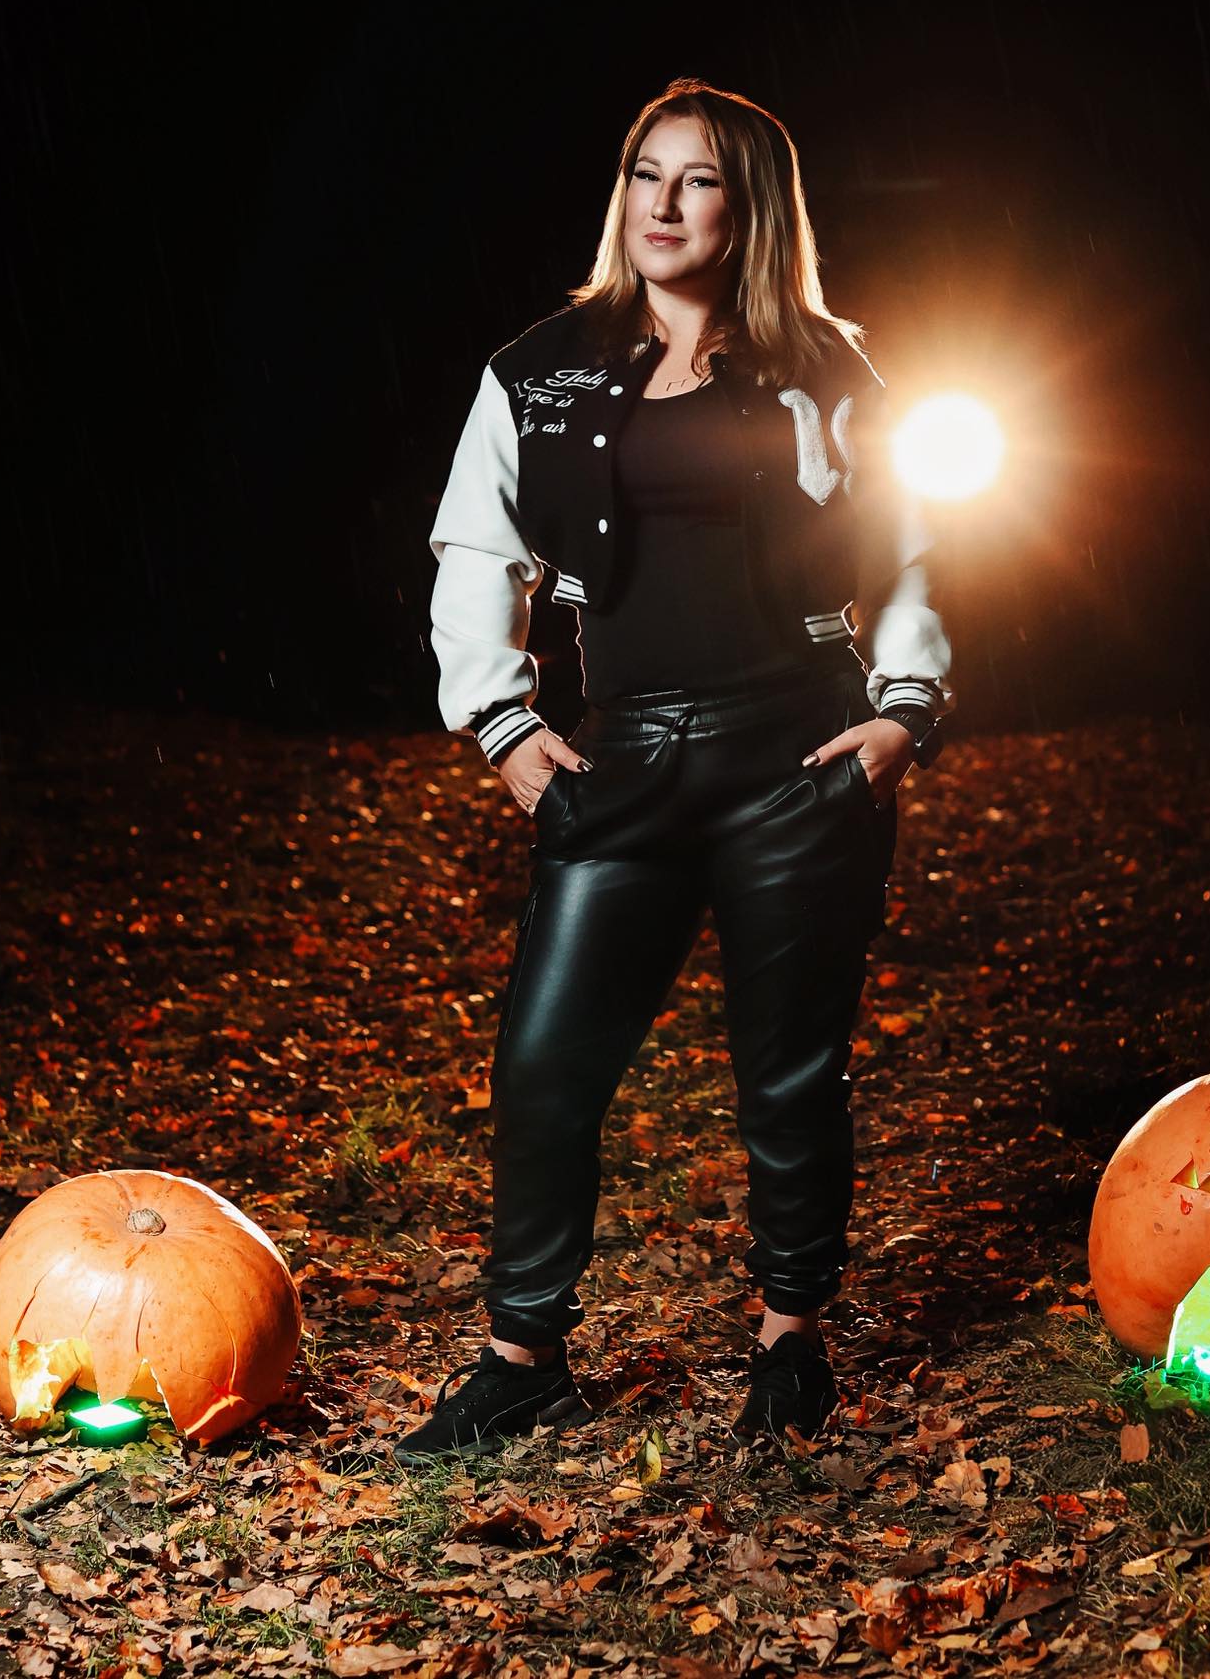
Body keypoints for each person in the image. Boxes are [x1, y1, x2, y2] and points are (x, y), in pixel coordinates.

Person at [396, 77, 954, 1461]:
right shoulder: (543, 367)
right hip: (628, 760)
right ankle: (523, 1359)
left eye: (699, 180)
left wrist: (901, 713)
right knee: (545, 1066)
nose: (665, 203)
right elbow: (478, 545)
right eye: (647, 173)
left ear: (749, 207)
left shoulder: (829, 367)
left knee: (789, 1074)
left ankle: (790, 1341)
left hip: (795, 752)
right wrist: (504, 726)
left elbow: (911, 547)